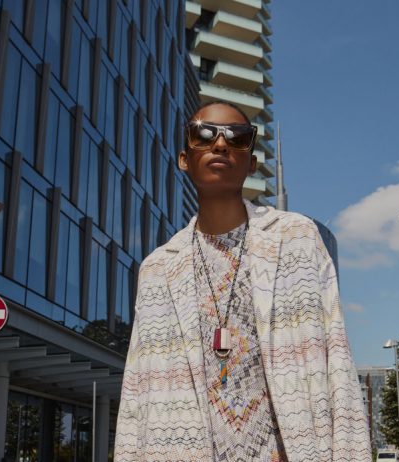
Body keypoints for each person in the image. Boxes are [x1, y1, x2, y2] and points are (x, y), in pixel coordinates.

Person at [114, 101, 371, 461]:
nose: (220, 144)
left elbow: (337, 358)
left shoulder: (295, 238)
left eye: (237, 138)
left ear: (251, 163)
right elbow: (136, 388)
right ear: (184, 159)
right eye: (204, 135)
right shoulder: (158, 267)